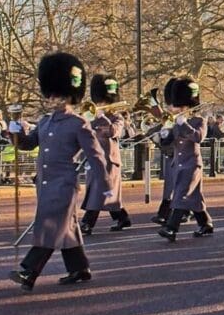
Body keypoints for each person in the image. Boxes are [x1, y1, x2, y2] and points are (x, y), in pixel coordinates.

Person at [7, 52, 111, 292]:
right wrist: (14, 132)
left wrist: (104, 187)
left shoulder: (78, 124)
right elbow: (28, 144)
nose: (55, 99)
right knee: (66, 227)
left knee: (50, 224)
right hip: (45, 183)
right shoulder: (44, 122)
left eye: (60, 95)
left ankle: (29, 271)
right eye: (52, 95)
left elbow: (96, 156)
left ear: (70, 97)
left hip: (64, 184)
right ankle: (79, 268)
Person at [157, 77, 213, 241]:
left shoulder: (198, 120)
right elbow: (167, 143)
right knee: (193, 197)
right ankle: (205, 223)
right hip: (178, 165)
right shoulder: (173, 122)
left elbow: (198, 138)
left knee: (181, 195)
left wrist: (184, 124)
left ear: (188, 106)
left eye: (179, 106)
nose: (175, 109)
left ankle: (171, 228)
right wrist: (164, 133)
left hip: (192, 165)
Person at [80, 75, 132, 234]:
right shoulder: (91, 118)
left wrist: (102, 116)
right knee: (103, 193)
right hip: (94, 159)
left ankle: (87, 223)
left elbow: (113, 131)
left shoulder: (116, 117)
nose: (100, 105)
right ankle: (122, 217)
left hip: (109, 161)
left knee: (99, 191)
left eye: (103, 103)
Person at [151, 78, 178, 226]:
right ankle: (167, 213)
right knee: (170, 188)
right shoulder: (170, 119)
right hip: (169, 157)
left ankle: (166, 214)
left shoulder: (185, 119)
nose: (170, 107)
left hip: (179, 157)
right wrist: (157, 137)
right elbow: (159, 138)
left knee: (178, 188)